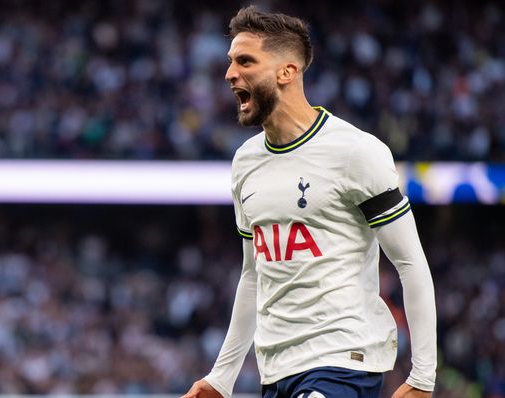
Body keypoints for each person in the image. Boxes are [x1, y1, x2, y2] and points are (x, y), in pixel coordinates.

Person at [181, 5, 436, 398]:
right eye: (230, 61)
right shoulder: (245, 163)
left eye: (245, 61)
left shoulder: (355, 152)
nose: (230, 74)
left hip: (343, 361)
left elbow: (410, 261)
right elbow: (253, 275)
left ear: (287, 72)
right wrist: (222, 377)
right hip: (277, 370)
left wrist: (422, 377)